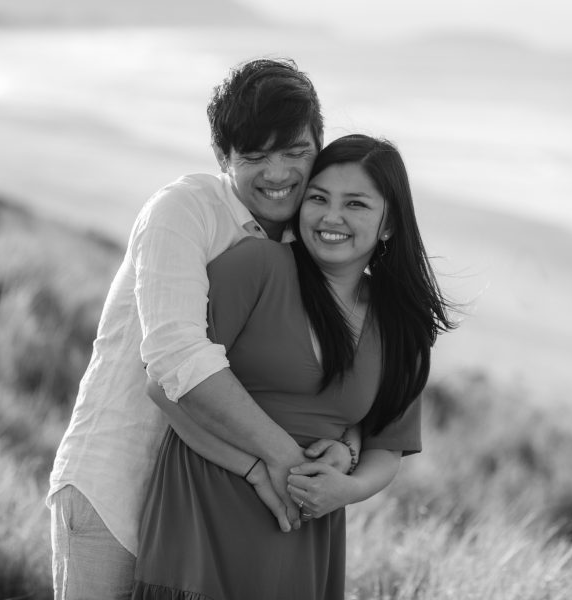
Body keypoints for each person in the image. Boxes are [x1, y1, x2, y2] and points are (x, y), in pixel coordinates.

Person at [47, 57, 359, 600]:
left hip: (208, 509)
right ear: (222, 157)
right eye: (256, 156)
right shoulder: (184, 210)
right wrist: (282, 461)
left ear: (319, 147)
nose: (279, 173)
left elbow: (327, 372)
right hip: (115, 484)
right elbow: (175, 357)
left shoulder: (307, 242)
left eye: (295, 152)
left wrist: (347, 449)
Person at [134, 134, 457, 599]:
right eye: (319, 198)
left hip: (302, 546)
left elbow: (387, 450)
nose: (332, 217)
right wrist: (256, 468)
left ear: (389, 225)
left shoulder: (401, 327)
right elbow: (163, 387)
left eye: (357, 205)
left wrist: (347, 489)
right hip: (199, 530)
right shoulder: (256, 266)